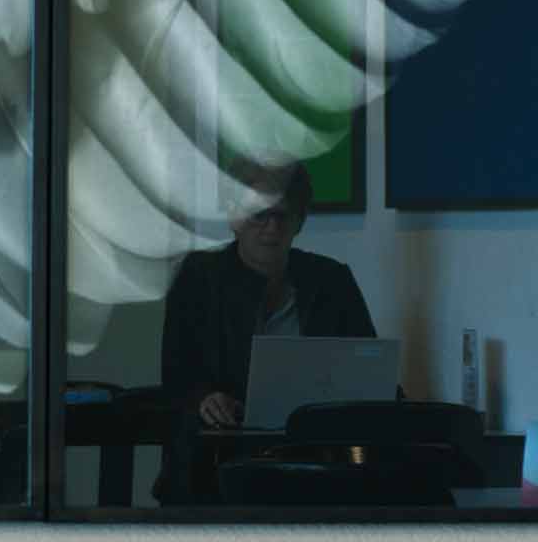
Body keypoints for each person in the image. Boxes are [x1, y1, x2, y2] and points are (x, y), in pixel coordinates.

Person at [159, 163, 377, 497]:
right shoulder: (199, 278)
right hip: (217, 463)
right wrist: (204, 398)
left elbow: (369, 367)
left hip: (314, 459)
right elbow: (176, 376)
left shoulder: (331, 280)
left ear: (300, 222)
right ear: (234, 218)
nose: (271, 228)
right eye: (259, 215)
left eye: (283, 216)